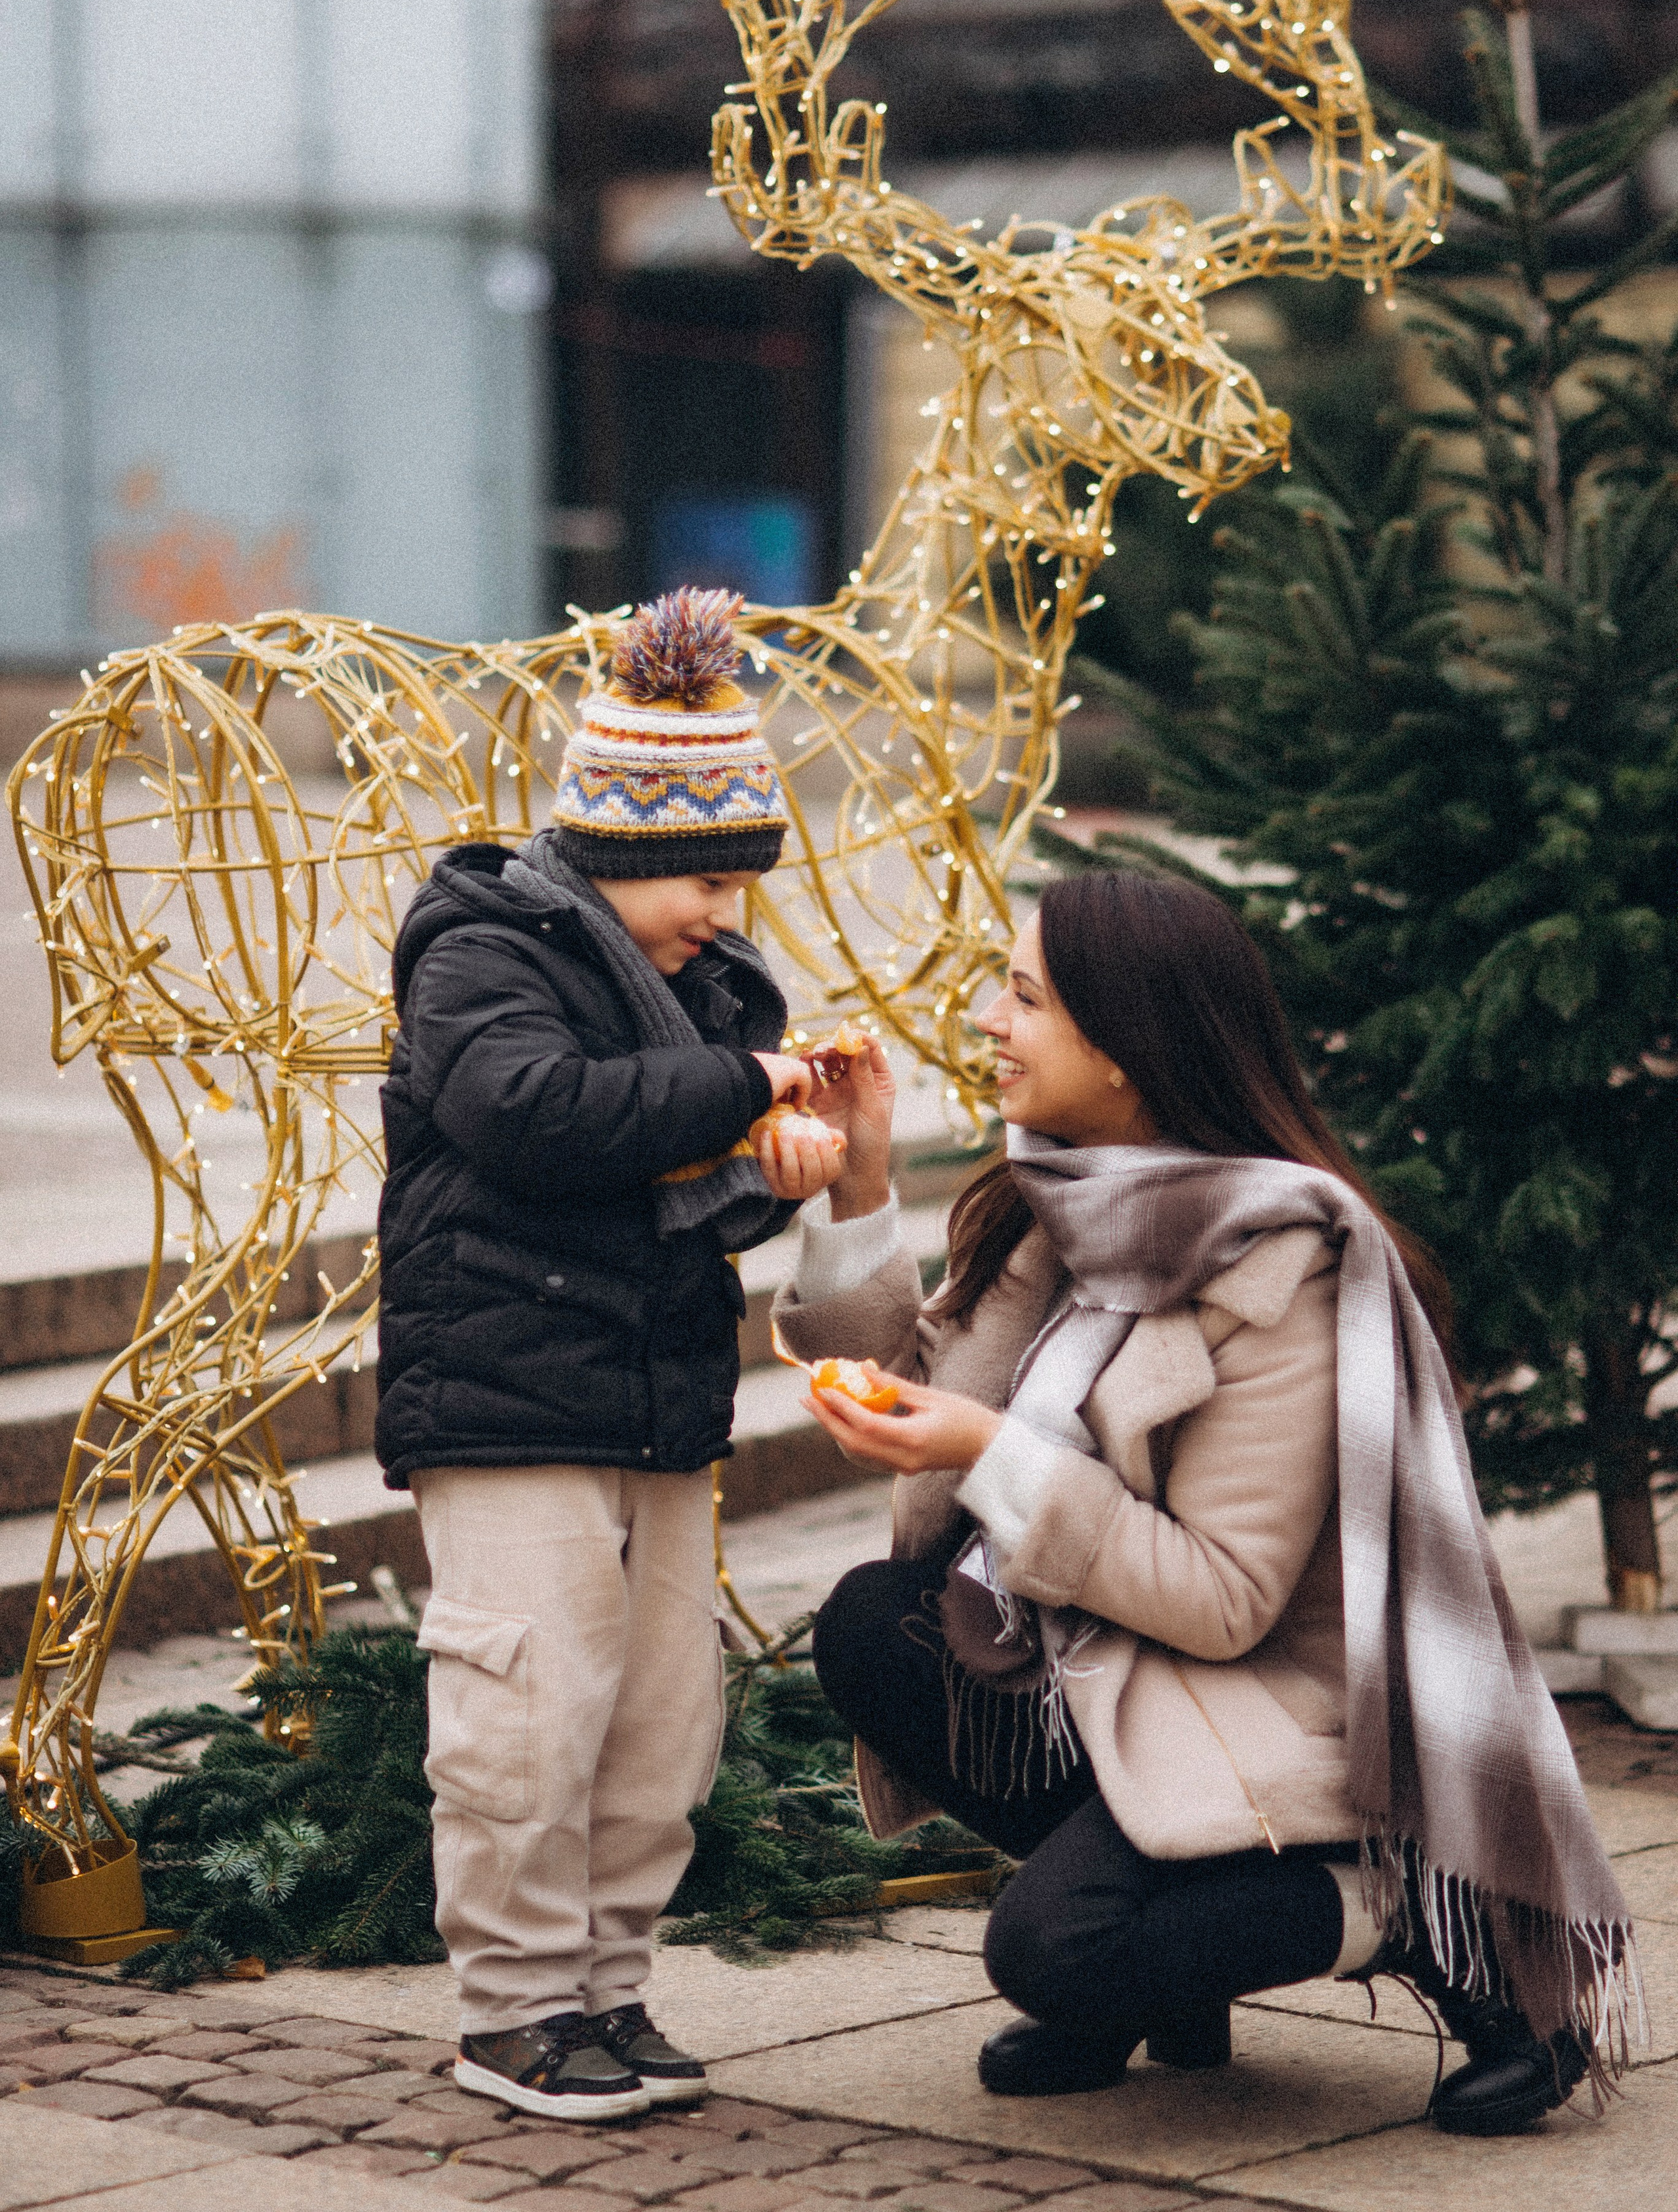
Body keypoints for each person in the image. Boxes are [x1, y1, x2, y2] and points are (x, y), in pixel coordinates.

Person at [786, 868, 1640, 2139]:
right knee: (875, 1624)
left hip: (1280, 1705)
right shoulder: (1067, 1202)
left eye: (1021, 997)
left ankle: (1411, 1913)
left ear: (1125, 1049)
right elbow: (927, 1405)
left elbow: (1224, 1601)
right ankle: (1170, 1942)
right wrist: (858, 1190)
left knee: (1053, 1953)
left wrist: (990, 1455)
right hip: (1110, 1662)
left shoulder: (1284, 1258)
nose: (985, 1020)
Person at [374, 589, 845, 2123]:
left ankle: (609, 1988)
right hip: (509, 1396)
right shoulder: (478, 944)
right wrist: (737, 1083)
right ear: (626, 851)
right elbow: (530, 1112)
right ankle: (512, 2012)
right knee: (523, 1708)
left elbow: (673, 1196)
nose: (723, 909)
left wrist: (768, 1164)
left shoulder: (701, 988)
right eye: (705, 875)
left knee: (658, 1718)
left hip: (654, 1399)